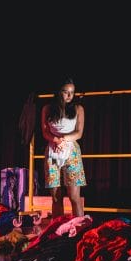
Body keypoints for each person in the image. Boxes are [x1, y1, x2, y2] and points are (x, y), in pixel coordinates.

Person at [41, 78, 87, 218]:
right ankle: (57, 231)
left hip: (71, 151)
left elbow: (79, 132)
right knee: (56, 197)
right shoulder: (47, 109)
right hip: (52, 152)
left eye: (72, 92)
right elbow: (45, 131)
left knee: (74, 196)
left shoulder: (78, 109)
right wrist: (55, 140)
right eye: (66, 92)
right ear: (58, 92)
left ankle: (80, 229)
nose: (69, 95)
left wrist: (63, 139)